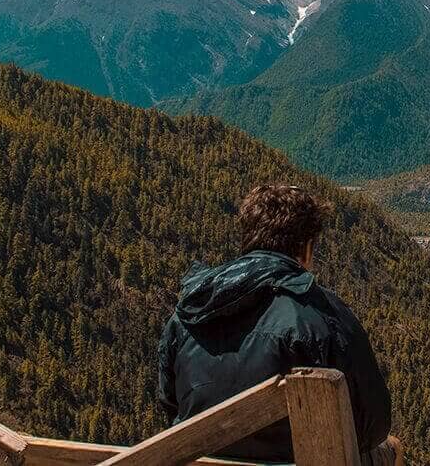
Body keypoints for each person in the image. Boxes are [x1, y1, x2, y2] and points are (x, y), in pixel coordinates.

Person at [158, 184, 393, 463]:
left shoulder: (187, 314)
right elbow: (372, 424)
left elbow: (171, 406)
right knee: (391, 448)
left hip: (202, 462)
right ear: (306, 248)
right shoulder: (319, 315)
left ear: (248, 239)